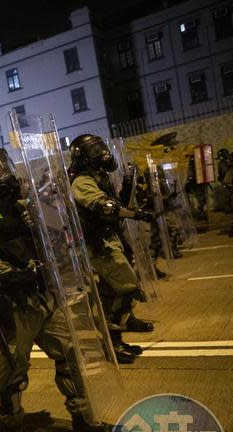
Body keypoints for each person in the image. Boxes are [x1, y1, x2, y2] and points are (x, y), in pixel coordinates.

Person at [0, 142, 113, 432]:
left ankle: (84, 422)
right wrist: (23, 273)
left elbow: (46, 237)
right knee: (15, 368)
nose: (2, 171)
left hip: (40, 296)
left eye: (3, 163)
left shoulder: (17, 205)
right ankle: (10, 425)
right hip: (12, 303)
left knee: (71, 351)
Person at [67, 134, 155, 363]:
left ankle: (116, 339)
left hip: (110, 238)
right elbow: (106, 207)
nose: (103, 154)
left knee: (112, 292)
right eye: (96, 151)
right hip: (97, 245)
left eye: (102, 148)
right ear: (85, 157)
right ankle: (114, 338)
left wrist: (127, 184)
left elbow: (117, 204)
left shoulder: (99, 177)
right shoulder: (82, 181)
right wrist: (136, 214)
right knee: (127, 286)